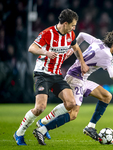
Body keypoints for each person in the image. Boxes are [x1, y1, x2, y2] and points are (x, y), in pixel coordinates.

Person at [33, 30, 113, 145]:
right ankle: (42, 130)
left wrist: (71, 50)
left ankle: (90, 127)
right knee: (73, 113)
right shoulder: (108, 56)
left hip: (80, 78)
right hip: (75, 79)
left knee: (106, 96)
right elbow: (112, 75)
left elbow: (82, 35)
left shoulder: (97, 42)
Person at [13, 9, 89, 146]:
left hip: (57, 75)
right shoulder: (47, 33)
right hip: (42, 74)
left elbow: (76, 49)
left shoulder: (70, 34)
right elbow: (32, 48)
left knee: (71, 103)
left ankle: (43, 123)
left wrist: (82, 63)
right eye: (72, 25)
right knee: (40, 108)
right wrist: (45, 52)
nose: (74, 28)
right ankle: (19, 133)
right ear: (65, 23)